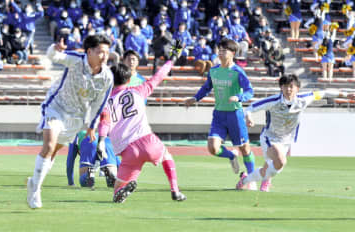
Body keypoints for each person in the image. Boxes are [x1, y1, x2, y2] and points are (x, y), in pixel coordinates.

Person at [26, 34, 113, 209]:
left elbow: (99, 103)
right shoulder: (76, 59)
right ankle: (36, 190)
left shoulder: (107, 77)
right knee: (49, 146)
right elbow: (55, 56)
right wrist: (54, 48)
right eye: (100, 52)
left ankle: (34, 181)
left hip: (75, 118)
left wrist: (91, 125)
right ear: (89, 51)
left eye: (106, 52)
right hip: (56, 107)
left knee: (54, 151)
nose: (104, 56)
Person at [97, 42, 187, 203]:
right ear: (129, 78)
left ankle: (122, 189)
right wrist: (173, 58)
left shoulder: (107, 102)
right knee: (166, 155)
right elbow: (159, 76)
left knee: (116, 194)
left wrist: (101, 141)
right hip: (147, 142)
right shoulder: (139, 90)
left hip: (127, 151)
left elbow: (105, 122)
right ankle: (175, 190)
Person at [236, 74, 350, 192]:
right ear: (281, 88)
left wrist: (346, 95)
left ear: (297, 88)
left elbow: (324, 93)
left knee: (269, 169)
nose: (288, 90)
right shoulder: (273, 101)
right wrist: (248, 117)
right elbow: (250, 108)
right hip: (270, 137)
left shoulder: (304, 98)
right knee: (280, 161)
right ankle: (266, 181)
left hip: (286, 140)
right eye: (285, 86)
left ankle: (245, 180)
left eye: (291, 86)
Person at [184, 39, 256, 190]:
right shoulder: (214, 71)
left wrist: (240, 97)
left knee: (245, 149)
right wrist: (195, 98)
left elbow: (250, 91)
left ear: (233, 53)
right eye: (220, 49)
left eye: (225, 50)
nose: (221, 52)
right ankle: (231, 156)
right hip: (219, 115)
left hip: (235, 115)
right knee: (213, 148)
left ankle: (252, 178)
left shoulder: (237, 72)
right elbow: (206, 87)